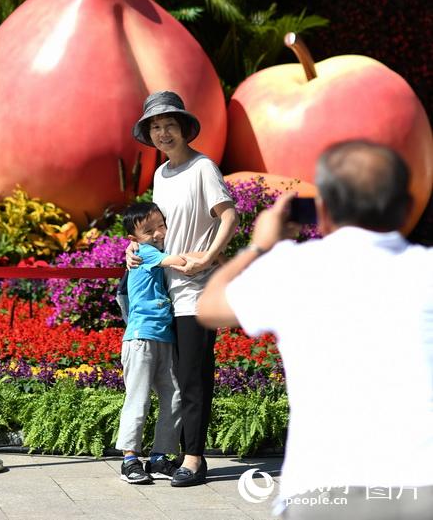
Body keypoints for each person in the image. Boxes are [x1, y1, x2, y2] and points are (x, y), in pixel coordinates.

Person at [198, 139, 433, 518]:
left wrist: (258, 247)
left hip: (325, 490)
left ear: (321, 211)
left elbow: (209, 307)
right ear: (407, 208)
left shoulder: (292, 268)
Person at [129, 91, 239, 487]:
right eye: (154, 127)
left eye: (168, 125)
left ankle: (194, 458)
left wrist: (209, 257)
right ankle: (174, 451)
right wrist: (134, 247)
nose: (162, 133)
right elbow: (156, 229)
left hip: (197, 291)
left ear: (183, 128)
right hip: (163, 291)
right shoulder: (161, 175)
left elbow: (230, 216)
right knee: (172, 380)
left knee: (193, 377)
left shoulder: (203, 168)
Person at [116, 200, 188, 484]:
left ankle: (159, 457)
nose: (159, 233)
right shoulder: (144, 252)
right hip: (140, 339)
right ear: (134, 239)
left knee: (173, 397)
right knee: (138, 399)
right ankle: (129, 460)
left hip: (163, 338)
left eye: (161, 225)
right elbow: (179, 262)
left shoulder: (146, 249)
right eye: (149, 230)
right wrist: (211, 255)